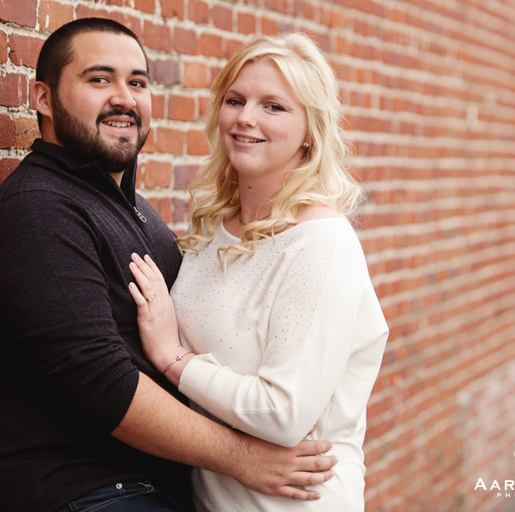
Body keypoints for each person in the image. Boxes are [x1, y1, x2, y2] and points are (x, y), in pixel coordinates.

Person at [0, 18, 338, 512]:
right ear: (43, 98)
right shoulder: (39, 208)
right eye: (99, 80)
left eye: (137, 82)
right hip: (84, 493)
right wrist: (244, 458)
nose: (124, 98)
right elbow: (99, 381)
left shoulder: (138, 214)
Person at [127, 33, 390, 511]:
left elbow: (284, 413)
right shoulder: (210, 233)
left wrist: (173, 358)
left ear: (311, 128)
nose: (246, 117)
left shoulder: (321, 244)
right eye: (235, 100)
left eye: (274, 106)